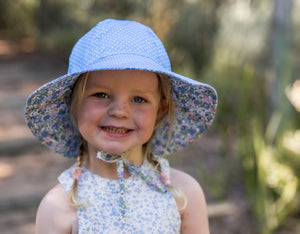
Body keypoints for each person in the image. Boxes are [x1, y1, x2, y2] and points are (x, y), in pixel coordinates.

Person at [25, 18, 217, 233]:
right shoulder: (59, 207)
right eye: (101, 94)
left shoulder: (182, 194)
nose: (119, 111)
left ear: (160, 109)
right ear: (73, 104)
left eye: (138, 99)